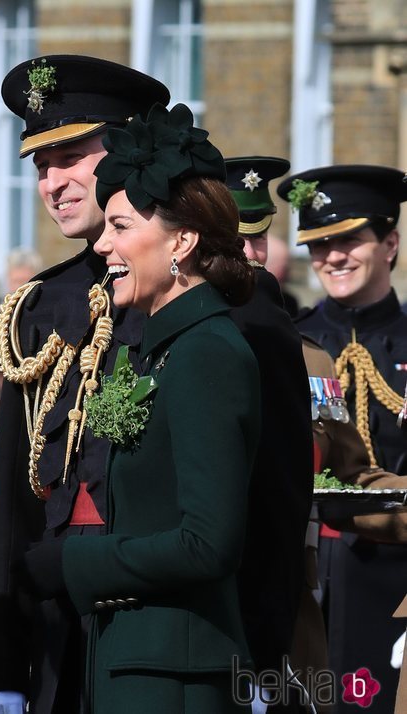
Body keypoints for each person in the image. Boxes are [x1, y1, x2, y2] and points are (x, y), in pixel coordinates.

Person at [22, 102, 259, 713]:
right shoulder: (159, 348)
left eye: (122, 227)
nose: (103, 244)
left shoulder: (207, 351)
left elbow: (208, 543)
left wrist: (75, 561)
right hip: (132, 658)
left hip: (174, 673)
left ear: (182, 240)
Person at [0, 55, 169, 714]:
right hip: (59, 637)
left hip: (169, 627)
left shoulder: (205, 293)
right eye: (39, 165)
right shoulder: (39, 308)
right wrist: (3, 667)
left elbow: (263, 500)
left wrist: (257, 660)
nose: (52, 182)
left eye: (69, 157)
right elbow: (12, 504)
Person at [280, 165, 407, 714]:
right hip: (304, 575)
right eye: (319, 245)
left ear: (390, 243)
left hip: (392, 575)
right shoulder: (293, 342)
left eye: (349, 239)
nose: (333, 256)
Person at [223, 156, 314, 711]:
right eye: (239, 240)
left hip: (250, 594)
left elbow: (278, 484)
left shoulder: (261, 313)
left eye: (260, 238)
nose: (253, 256)